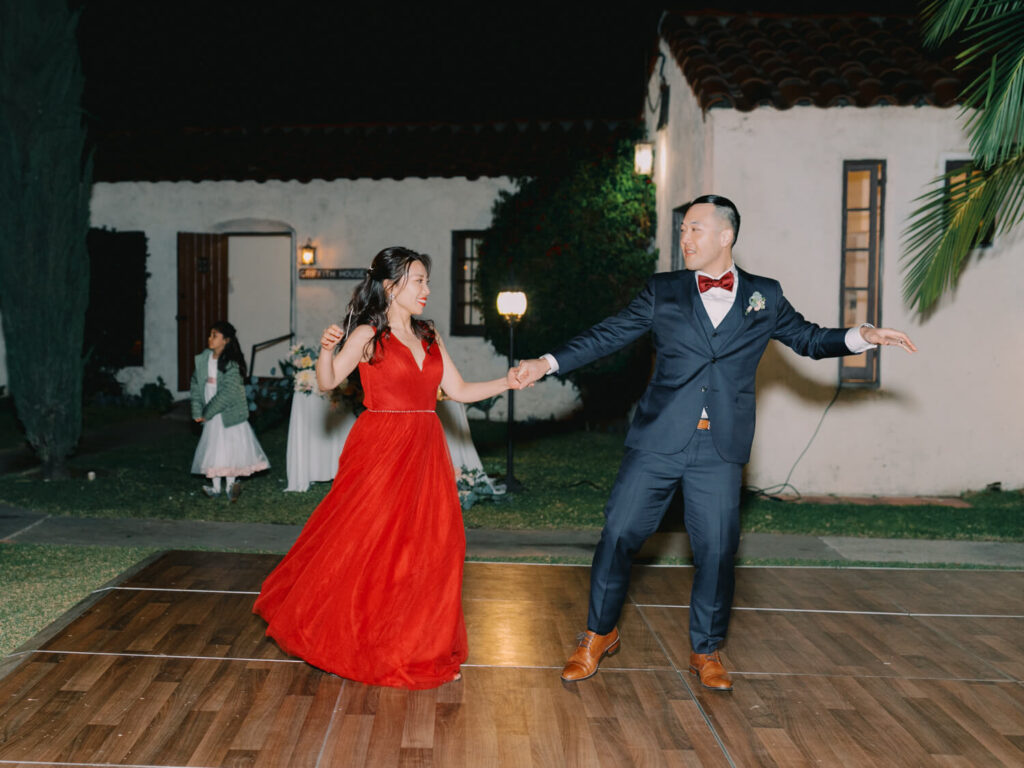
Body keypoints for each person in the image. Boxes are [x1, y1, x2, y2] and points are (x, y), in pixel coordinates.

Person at [514, 195, 917, 690]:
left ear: (726, 237)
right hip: (658, 440)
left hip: (720, 448)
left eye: (696, 230)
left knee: (718, 550)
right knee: (618, 535)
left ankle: (706, 650)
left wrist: (862, 335)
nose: (685, 239)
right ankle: (598, 633)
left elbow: (810, 340)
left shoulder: (764, 296)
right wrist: (546, 363)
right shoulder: (663, 291)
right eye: (683, 230)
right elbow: (608, 335)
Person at [253, 246, 520, 689]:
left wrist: (507, 381)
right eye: (419, 281)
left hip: (426, 451)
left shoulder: (430, 335)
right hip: (379, 451)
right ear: (392, 286)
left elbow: (458, 389)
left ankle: (419, 646)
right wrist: (324, 350)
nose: (427, 290)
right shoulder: (367, 334)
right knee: (367, 547)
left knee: (435, 550)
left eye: (427, 282)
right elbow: (327, 380)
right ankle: (357, 639)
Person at [190, 320, 269, 501]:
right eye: (210, 335)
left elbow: (227, 393)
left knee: (230, 446)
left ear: (226, 340)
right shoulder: (204, 359)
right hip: (209, 409)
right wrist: (197, 410)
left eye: (215, 336)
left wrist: (207, 412)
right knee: (214, 447)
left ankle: (231, 485)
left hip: (228, 412)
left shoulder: (231, 364)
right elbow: (195, 384)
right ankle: (216, 487)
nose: (210, 339)